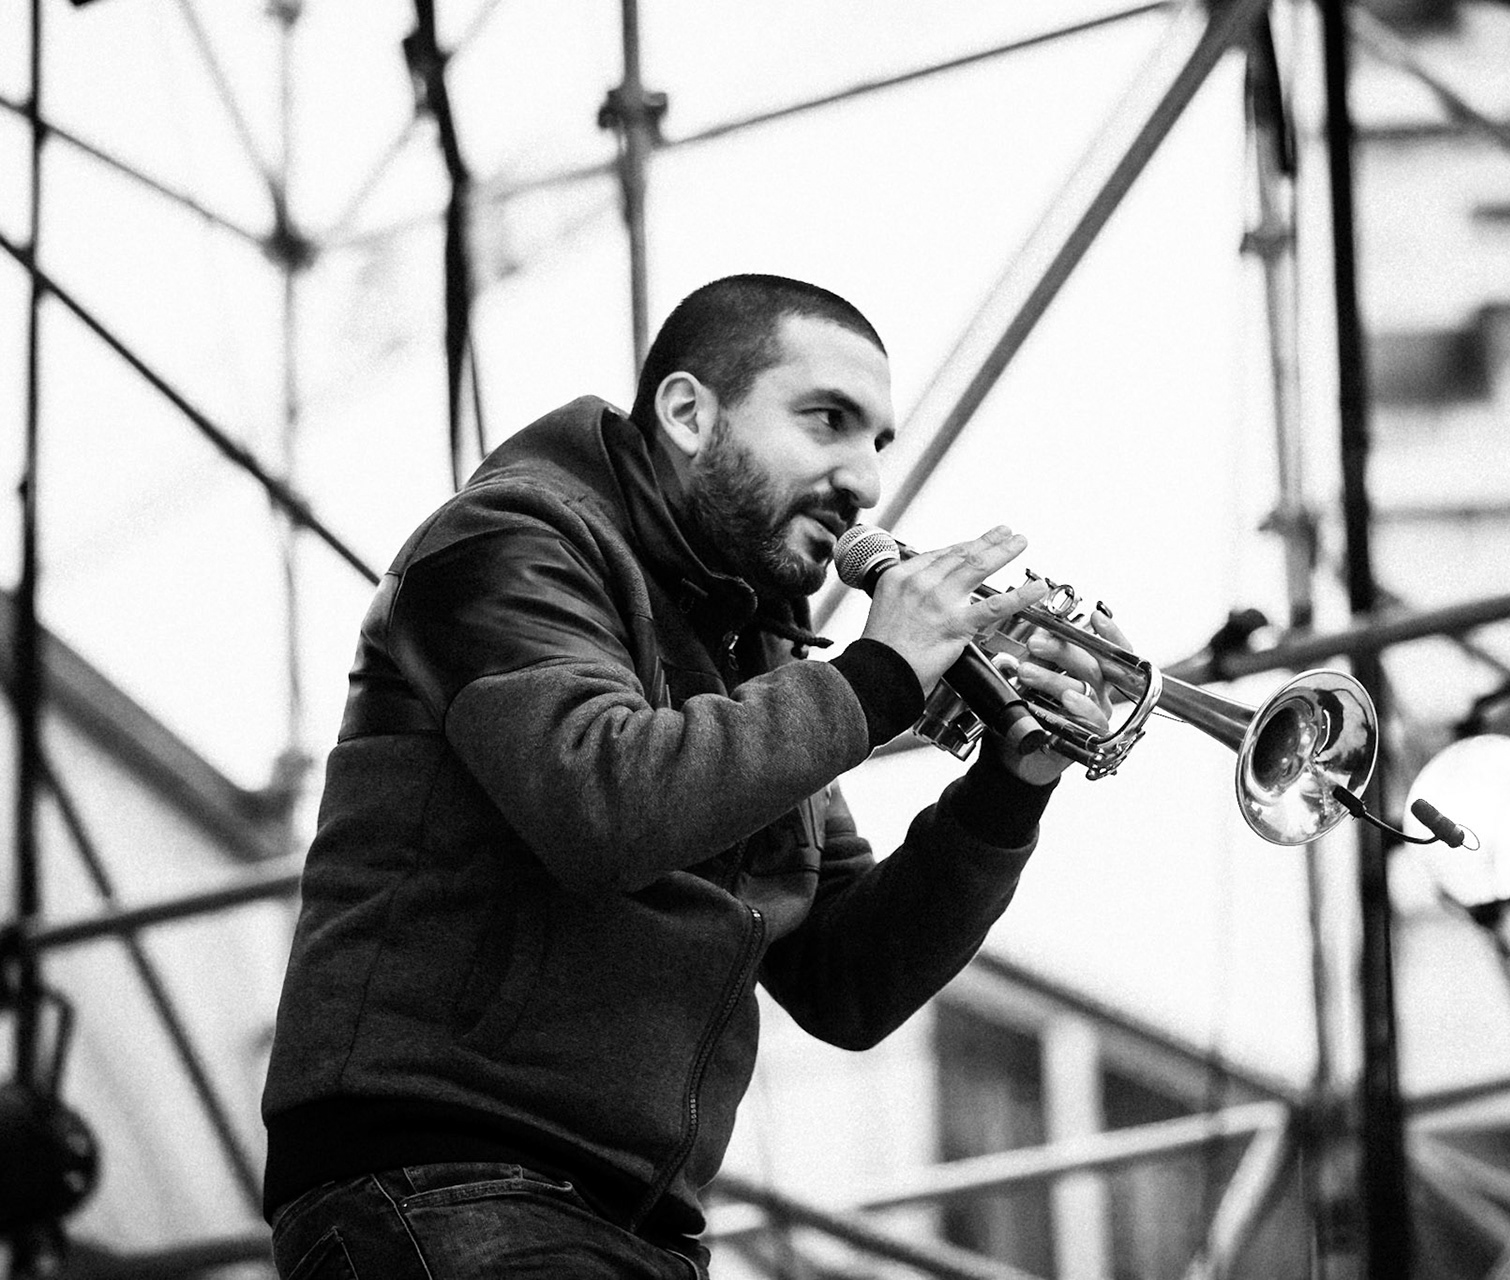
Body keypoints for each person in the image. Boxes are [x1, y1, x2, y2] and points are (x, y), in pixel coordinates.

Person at [260, 274, 1126, 1279]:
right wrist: (877, 675)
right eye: (827, 421)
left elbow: (850, 981)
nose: (865, 482)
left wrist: (1010, 787)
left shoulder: (755, 656)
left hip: (632, 1222)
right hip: (448, 1179)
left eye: (877, 443)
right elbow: (601, 802)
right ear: (687, 411)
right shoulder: (508, 541)